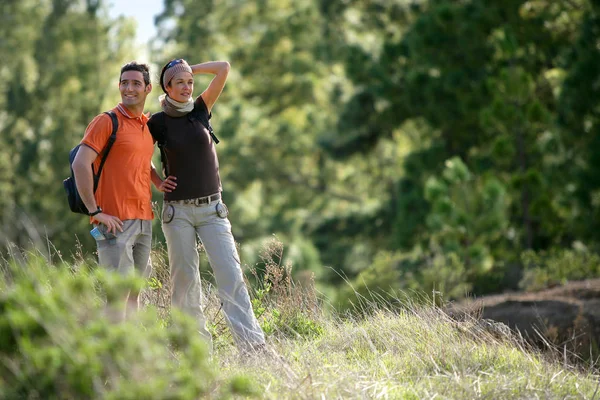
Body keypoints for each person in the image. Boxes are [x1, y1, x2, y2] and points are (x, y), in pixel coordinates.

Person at [147, 59, 266, 354]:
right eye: (179, 82)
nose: (187, 87)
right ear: (167, 87)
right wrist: (157, 182)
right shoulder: (158, 122)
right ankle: (195, 354)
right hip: (178, 213)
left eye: (190, 82)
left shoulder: (201, 108)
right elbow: (138, 156)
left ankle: (253, 349)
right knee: (185, 283)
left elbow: (224, 67)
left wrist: (188, 67)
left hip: (213, 209)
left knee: (230, 274)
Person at [72, 61, 177, 318]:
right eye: (124, 83)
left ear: (148, 88)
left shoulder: (146, 124)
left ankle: (129, 353)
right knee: (117, 295)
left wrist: (157, 181)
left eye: (135, 83)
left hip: (143, 220)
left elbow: (142, 158)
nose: (129, 88)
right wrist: (95, 211)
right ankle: (111, 356)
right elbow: (80, 164)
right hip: (114, 222)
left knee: (134, 293)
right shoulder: (106, 122)